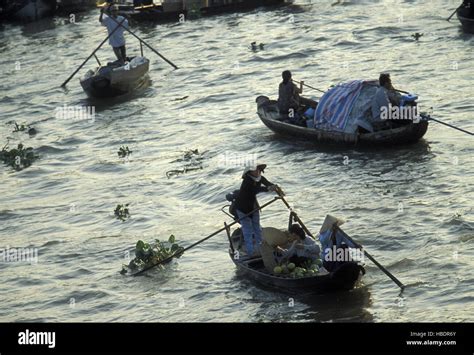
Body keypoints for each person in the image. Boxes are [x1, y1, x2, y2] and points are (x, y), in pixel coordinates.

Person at [234, 164, 278, 257]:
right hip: (243, 208)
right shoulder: (247, 181)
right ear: (249, 172)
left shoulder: (260, 178)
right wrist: (267, 189)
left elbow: (268, 183)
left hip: (253, 206)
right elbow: (255, 190)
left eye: (258, 170)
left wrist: (273, 187)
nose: (257, 172)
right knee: (248, 231)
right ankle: (251, 253)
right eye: (255, 170)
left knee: (257, 229)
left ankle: (262, 250)